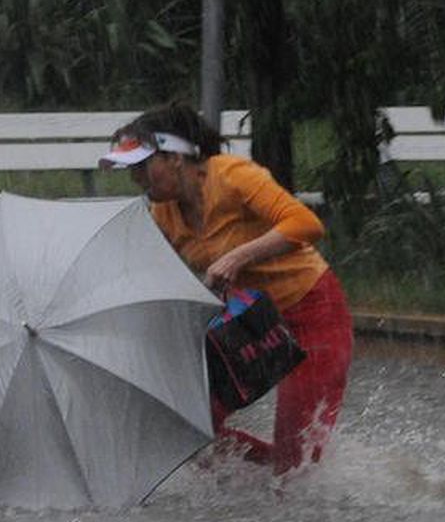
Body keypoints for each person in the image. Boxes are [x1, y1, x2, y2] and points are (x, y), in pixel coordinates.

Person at [99, 102, 353, 475]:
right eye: (130, 169)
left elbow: (306, 223)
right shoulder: (164, 213)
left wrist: (237, 257)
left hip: (313, 313)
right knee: (189, 428)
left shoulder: (233, 176)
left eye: (141, 166)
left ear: (175, 158)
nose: (135, 178)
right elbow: (149, 278)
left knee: (296, 460)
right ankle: (267, 472)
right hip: (250, 325)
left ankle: (285, 471)